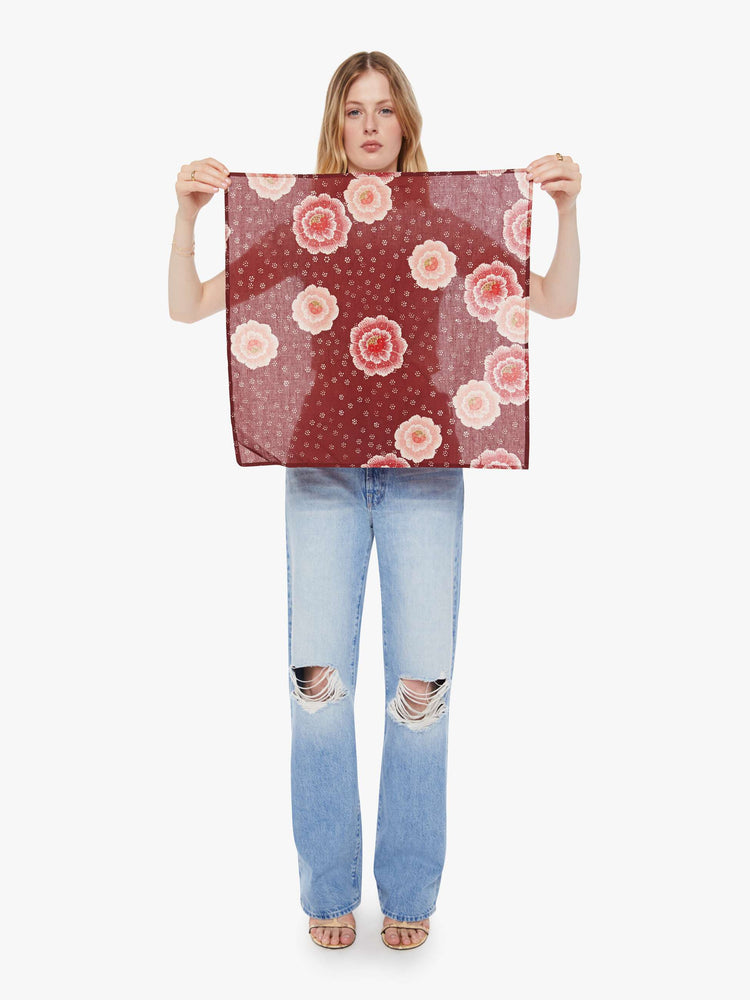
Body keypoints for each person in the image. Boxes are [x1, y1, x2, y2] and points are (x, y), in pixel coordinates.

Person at [168, 50, 581, 951]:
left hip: (426, 468)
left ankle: (410, 892)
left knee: (421, 687)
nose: (369, 124)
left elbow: (553, 299)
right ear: (336, 122)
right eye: (354, 109)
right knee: (316, 686)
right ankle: (326, 888)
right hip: (319, 468)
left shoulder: (443, 218)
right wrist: (188, 213)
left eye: (384, 109)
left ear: (406, 123)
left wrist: (566, 208)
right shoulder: (305, 222)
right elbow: (190, 303)